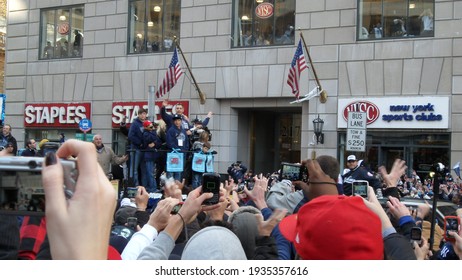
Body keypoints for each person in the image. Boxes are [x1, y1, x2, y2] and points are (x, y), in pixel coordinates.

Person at [41, 139, 117, 259]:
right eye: (96, 139)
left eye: (100, 139)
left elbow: (114, 159)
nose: (99, 140)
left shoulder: (108, 150)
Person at [166, 114, 190, 181]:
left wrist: (185, 150)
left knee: (179, 172)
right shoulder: (171, 130)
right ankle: (169, 188)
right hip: (173, 154)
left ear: (181, 121)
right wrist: (177, 149)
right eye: (175, 120)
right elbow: (169, 142)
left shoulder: (183, 131)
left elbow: (186, 141)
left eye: (179, 120)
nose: (177, 122)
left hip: (182, 155)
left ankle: (177, 189)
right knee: (170, 172)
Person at [128, 108, 148, 187]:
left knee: (144, 169)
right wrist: (139, 143)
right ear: (138, 115)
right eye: (141, 114)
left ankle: (144, 186)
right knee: (134, 169)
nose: (143, 115)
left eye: (144, 114)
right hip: (136, 149)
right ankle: (135, 185)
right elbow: (131, 136)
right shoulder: (135, 123)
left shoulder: (147, 123)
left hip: (144, 149)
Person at [142, 120, 162, 193]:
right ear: (146, 127)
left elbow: (159, 142)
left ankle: (151, 187)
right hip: (148, 155)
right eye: (149, 125)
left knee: (152, 172)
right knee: (149, 172)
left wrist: (155, 143)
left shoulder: (152, 133)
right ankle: (152, 188)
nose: (151, 126)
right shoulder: (145, 134)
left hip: (153, 155)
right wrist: (153, 131)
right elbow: (150, 139)